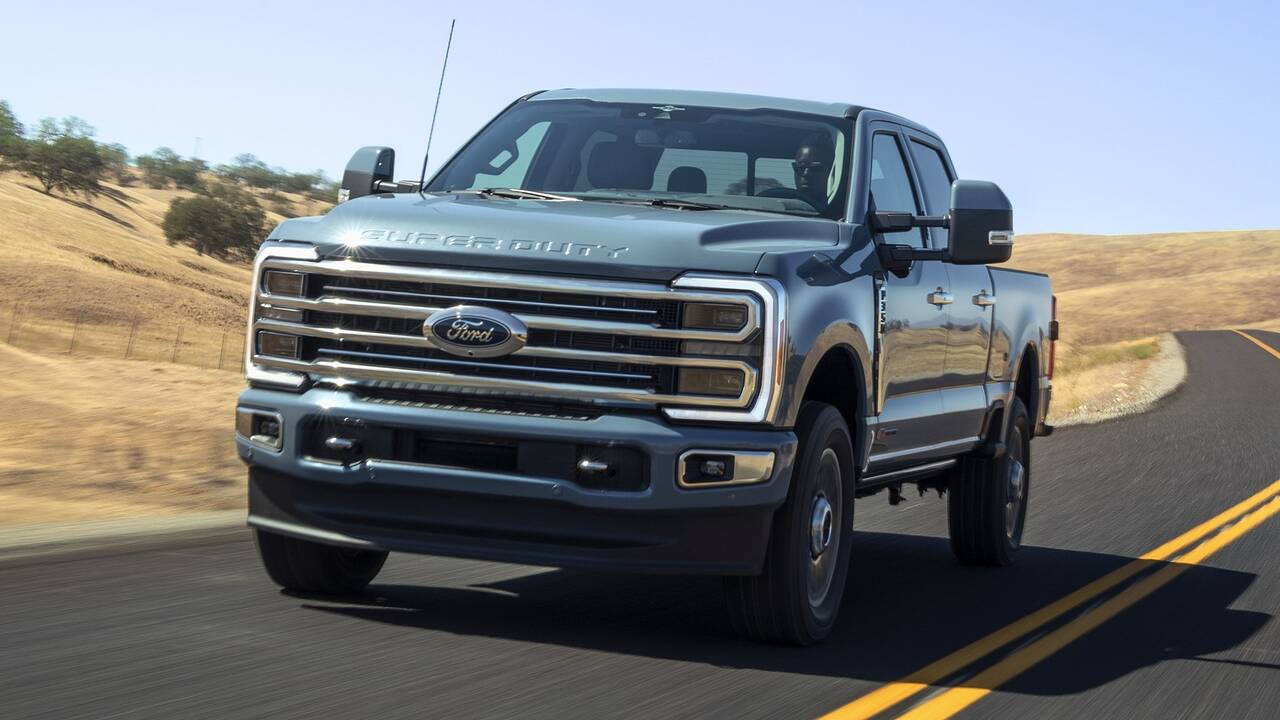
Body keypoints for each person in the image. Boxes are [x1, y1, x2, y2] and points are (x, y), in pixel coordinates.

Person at [791, 132, 835, 210]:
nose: (806, 173)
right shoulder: (777, 207)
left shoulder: (843, 212)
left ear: (831, 171)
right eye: (801, 167)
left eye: (816, 168)